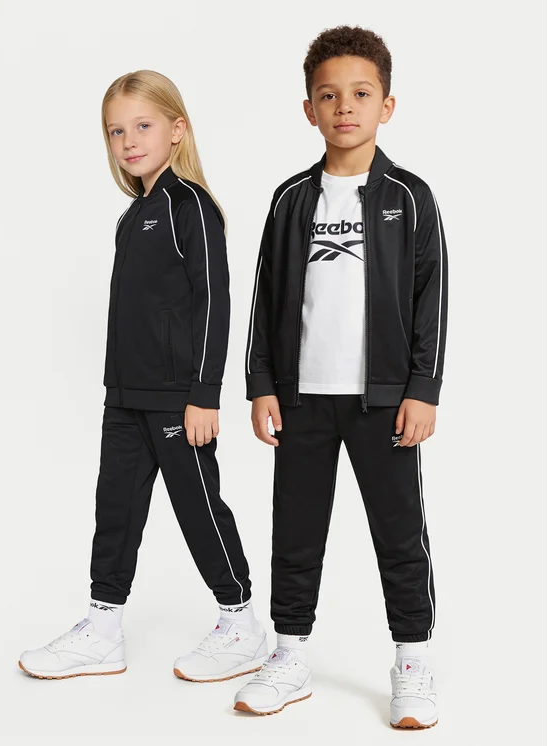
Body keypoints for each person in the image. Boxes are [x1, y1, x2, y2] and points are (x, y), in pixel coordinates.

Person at [18, 69, 267, 683]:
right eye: (116, 131)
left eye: (143, 125)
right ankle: (103, 629)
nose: (128, 141)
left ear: (177, 130)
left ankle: (242, 623)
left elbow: (215, 303)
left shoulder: (191, 206)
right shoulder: (133, 216)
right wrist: (117, 390)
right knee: (116, 510)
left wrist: (204, 394)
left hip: (179, 399)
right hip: (125, 397)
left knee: (198, 507)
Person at [235, 26, 448, 728]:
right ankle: (289, 654)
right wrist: (261, 383)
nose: (345, 107)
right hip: (301, 400)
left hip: (382, 401)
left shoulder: (409, 197)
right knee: (295, 530)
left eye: (360, 93)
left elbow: (431, 297)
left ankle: (412, 659)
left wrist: (422, 389)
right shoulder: (291, 199)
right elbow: (266, 297)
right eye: (329, 96)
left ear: (387, 106)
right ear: (309, 110)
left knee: (399, 533)